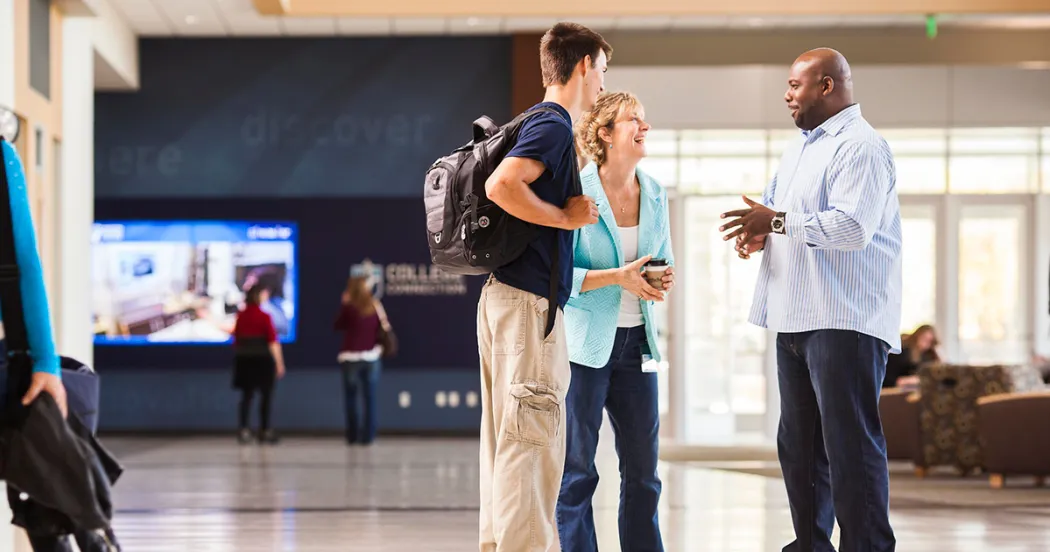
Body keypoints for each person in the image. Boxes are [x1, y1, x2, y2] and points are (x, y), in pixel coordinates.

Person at [718, 48, 901, 552]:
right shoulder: (798, 148)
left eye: (795, 85)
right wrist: (760, 235)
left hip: (845, 321)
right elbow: (781, 218)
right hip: (794, 318)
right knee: (799, 449)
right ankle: (811, 544)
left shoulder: (861, 146)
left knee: (849, 447)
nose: (786, 94)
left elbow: (853, 227)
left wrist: (775, 221)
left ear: (826, 86)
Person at [477, 22, 608, 552]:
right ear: (582, 67)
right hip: (529, 307)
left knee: (507, 443)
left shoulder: (533, 119)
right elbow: (501, 184)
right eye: (602, 70)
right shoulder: (553, 124)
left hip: (505, 300)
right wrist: (563, 217)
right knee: (531, 445)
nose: (602, 82)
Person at [556, 91, 674, 552]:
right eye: (633, 120)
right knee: (579, 471)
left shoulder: (657, 192)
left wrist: (661, 277)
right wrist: (619, 278)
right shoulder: (575, 194)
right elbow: (560, 278)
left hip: (639, 347)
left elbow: (659, 257)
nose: (644, 127)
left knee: (644, 474)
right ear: (605, 134)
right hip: (586, 350)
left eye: (644, 119)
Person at [334, 275, 390, 446]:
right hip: (371, 357)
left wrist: (344, 304)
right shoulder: (375, 306)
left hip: (350, 358)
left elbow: (337, 325)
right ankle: (368, 436)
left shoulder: (349, 308)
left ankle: (352, 435)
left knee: (351, 398)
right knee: (369, 398)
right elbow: (385, 327)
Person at [232, 284, 285, 445]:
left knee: (247, 397)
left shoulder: (241, 316)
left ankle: (244, 430)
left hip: (244, 361)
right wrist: (279, 363)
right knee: (266, 396)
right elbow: (273, 342)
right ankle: (264, 430)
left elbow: (236, 338)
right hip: (262, 361)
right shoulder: (264, 316)